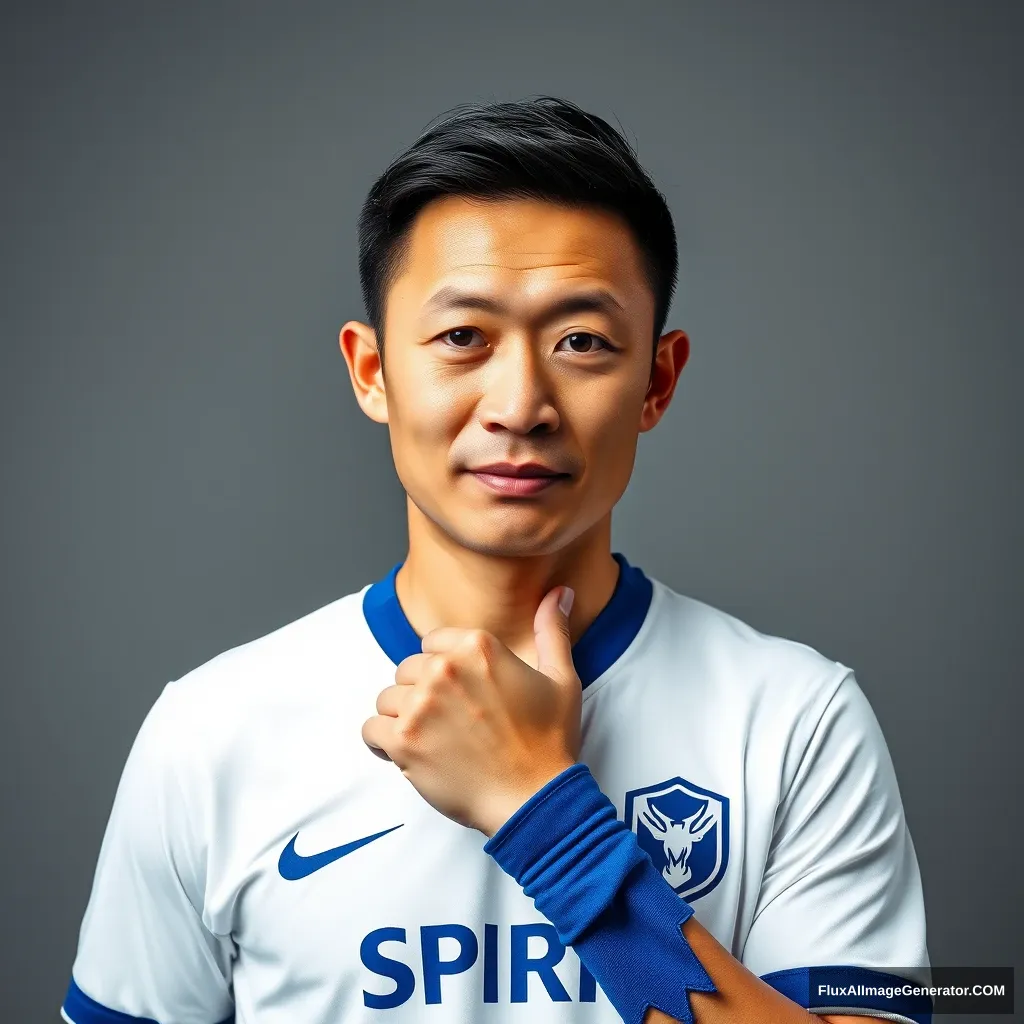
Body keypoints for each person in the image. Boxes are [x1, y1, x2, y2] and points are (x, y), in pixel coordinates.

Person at [61, 96, 931, 1024]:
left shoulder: (796, 722)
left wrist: (543, 814)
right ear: (372, 373)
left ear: (657, 381)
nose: (520, 403)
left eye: (582, 342)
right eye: (461, 338)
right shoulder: (210, 734)